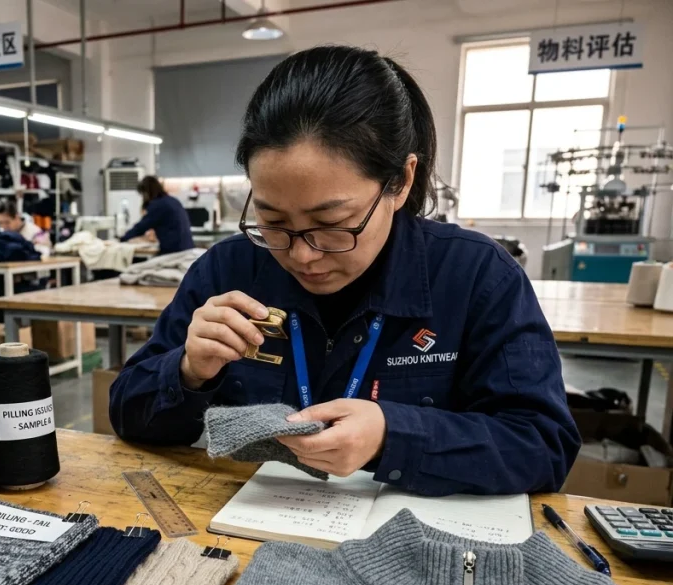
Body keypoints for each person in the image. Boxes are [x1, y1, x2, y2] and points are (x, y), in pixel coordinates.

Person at [109, 46, 579, 497]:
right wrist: (188, 371)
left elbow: (543, 444)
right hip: (243, 527)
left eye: (331, 225)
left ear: (401, 181)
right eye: (273, 221)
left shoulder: (475, 276)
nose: (302, 255)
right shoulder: (227, 269)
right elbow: (126, 412)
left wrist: (393, 435)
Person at [119, 176, 194, 255]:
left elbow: (141, 227)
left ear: (147, 192)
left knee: (137, 263)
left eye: (143, 194)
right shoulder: (173, 200)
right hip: (187, 249)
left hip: (174, 253)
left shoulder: (158, 205)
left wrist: (122, 239)